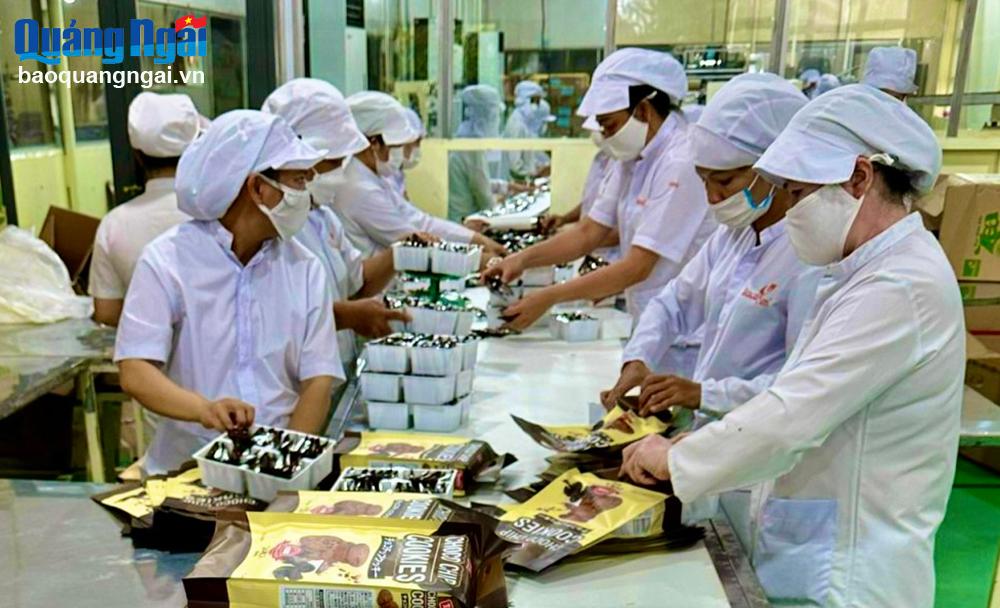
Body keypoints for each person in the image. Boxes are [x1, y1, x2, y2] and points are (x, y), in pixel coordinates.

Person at [620, 85, 963, 608]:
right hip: (812, 545)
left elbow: (791, 416)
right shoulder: (860, 270)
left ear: (858, 178)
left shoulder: (900, 286)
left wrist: (677, 457)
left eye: (799, 194)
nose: (791, 210)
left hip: (852, 575)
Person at [115, 110, 344, 475]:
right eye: (298, 180)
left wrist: (285, 465)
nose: (306, 194)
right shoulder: (168, 262)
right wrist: (203, 409)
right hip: (186, 471)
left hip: (279, 468)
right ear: (257, 188)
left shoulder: (304, 268)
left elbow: (318, 380)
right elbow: (136, 371)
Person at [486, 49, 717, 378]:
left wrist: (549, 297)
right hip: (651, 323)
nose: (606, 137)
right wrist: (520, 260)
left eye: (610, 126)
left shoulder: (680, 162)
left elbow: (638, 266)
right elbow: (588, 232)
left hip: (689, 336)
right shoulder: (632, 157)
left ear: (644, 110)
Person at [601, 73, 818, 423]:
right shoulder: (733, 235)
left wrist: (703, 394)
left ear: (775, 167)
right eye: (704, 180)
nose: (713, 197)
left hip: (763, 437)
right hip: (714, 432)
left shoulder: (810, 254)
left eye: (725, 181)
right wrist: (638, 359)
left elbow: (803, 383)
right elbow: (673, 304)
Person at [262, 78, 410, 369]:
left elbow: (357, 282)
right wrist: (345, 316)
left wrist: (400, 253)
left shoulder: (323, 216)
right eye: (334, 162)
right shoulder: (271, 227)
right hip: (295, 379)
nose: (341, 173)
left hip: (336, 370)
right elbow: (270, 318)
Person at [332, 91, 505, 258]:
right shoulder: (360, 189)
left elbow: (420, 221)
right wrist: (482, 257)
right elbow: (414, 242)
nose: (401, 153)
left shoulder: (374, 177)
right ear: (374, 143)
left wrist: (475, 239)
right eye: (397, 146)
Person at [89, 92, 203, 326]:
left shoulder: (113, 225)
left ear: (137, 156)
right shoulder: (218, 211)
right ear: (194, 151)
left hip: (145, 347)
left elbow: (107, 314)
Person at [449, 84, 519, 223]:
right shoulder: (471, 147)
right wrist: (503, 212)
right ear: (489, 115)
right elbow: (484, 197)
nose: (497, 121)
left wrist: (507, 187)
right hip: (465, 222)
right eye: (496, 115)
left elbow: (481, 181)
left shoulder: (466, 137)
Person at [502, 80, 553, 179]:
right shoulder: (517, 124)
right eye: (535, 101)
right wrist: (536, 173)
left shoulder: (524, 122)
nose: (537, 105)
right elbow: (515, 165)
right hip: (520, 181)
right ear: (524, 100)